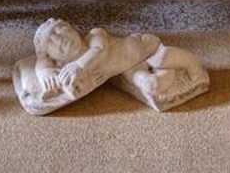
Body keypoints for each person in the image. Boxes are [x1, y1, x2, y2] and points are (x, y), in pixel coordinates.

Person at [12, 18, 160, 116]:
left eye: (58, 29)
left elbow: (100, 50)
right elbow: (41, 61)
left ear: (71, 28)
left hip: (141, 45)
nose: (58, 39)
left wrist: (79, 66)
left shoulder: (95, 35)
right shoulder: (62, 66)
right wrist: (44, 71)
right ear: (51, 57)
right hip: (124, 64)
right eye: (50, 42)